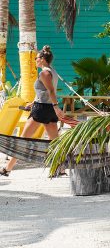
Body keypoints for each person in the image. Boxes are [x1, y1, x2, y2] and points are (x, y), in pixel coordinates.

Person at [2, 46, 72, 176]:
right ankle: (61, 169)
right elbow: (44, 91)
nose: (35, 60)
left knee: (23, 139)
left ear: (43, 59)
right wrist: (33, 102)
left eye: (36, 58)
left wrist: (56, 107)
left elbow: (51, 91)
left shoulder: (44, 73)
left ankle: (7, 168)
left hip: (42, 109)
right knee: (55, 142)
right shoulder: (53, 71)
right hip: (48, 108)